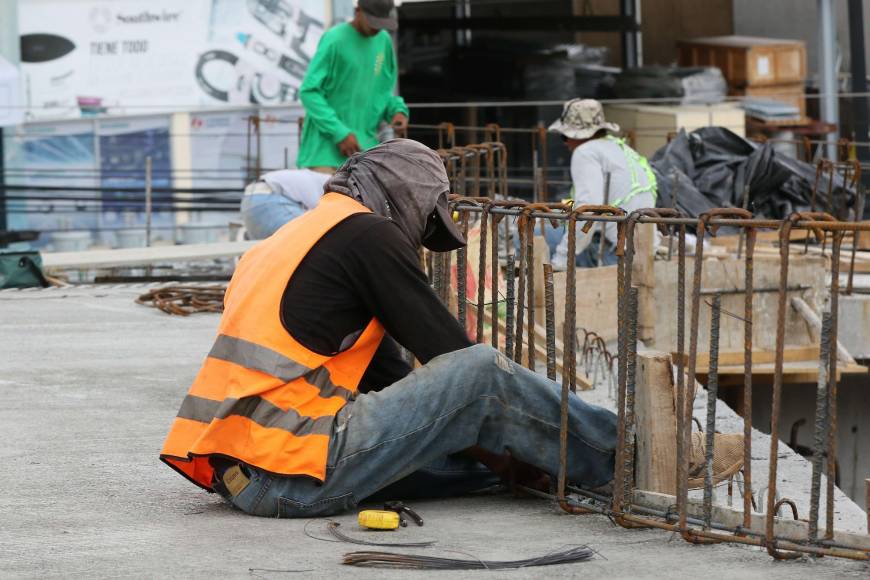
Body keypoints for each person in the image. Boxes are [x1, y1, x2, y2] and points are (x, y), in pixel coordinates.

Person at [160, 139, 741, 518]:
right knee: (483, 372)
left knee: (504, 467)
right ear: (404, 201)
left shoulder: (293, 239)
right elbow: (454, 360)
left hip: (247, 476)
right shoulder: (368, 234)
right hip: (293, 466)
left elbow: (389, 379)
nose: (417, 241)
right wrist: (499, 426)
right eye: (423, 225)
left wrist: (503, 456)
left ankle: (554, 463)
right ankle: (642, 456)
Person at [296, 0, 409, 174]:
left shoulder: (383, 41)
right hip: (325, 155)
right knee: (329, 200)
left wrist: (396, 111)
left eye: (382, 23)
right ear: (358, 11)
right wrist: (339, 132)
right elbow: (309, 92)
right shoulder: (334, 39)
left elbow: (384, 91)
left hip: (366, 155)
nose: (377, 28)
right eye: (373, 22)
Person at [548, 98, 658, 270]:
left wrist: (561, 260)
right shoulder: (621, 148)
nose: (566, 143)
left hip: (613, 254)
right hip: (645, 248)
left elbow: (588, 210)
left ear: (578, 135)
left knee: (527, 235)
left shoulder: (585, 152)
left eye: (565, 136)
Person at [240, 169, 329, 240]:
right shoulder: (331, 186)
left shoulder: (318, 179)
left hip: (250, 198)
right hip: (269, 199)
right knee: (313, 236)